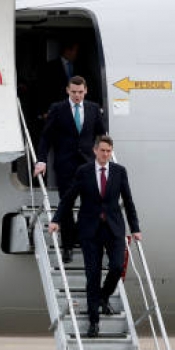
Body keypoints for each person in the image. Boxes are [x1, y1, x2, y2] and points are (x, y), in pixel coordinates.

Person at [48, 136, 142, 338]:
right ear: (95, 151)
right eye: (102, 150)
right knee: (93, 275)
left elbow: (128, 200)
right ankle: (94, 321)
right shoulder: (84, 172)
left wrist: (135, 228)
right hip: (90, 230)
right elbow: (69, 198)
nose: (106, 154)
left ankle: (103, 296)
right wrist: (56, 220)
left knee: (117, 266)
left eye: (109, 151)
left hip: (114, 228)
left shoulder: (119, 172)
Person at [34, 75, 105, 262]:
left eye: (80, 92)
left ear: (86, 91)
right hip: (65, 164)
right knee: (66, 204)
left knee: (90, 204)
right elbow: (46, 138)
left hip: (88, 163)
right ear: (67, 90)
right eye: (73, 92)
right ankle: (67, 246)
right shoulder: (57, 109)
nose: (77, 96)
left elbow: (101, 134)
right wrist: (41, 161)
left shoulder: (93, 109)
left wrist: (103, 156)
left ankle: (80, 237)